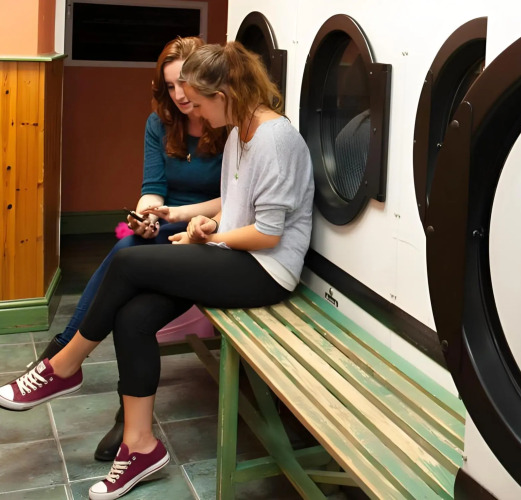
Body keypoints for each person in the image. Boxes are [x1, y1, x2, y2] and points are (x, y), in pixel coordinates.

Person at [0, 41, 314, 500]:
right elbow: (235, 206)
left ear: (224, 94)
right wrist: (202, 222)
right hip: (234, 257)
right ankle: (140, 446)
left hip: (265, 271)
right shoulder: (240, 133)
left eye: (200, 103)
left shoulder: (274, 139)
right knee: (133, 319)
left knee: (128, 260)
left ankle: (64, 365)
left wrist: (209, 239)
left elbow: (268, 234)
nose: (197, 113)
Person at [26, 36, 226, 461]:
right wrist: (148, 215)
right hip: (166, 227)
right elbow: (152, 188)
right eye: (169, 86)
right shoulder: (161, 123)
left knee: (127, 261)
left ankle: (62, 359)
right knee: (130, 255)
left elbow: (236, 199)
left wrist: (176, 215)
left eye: (185, 83)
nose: (179, 95)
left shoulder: (227, 122)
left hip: (206, 232)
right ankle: (123, 416)